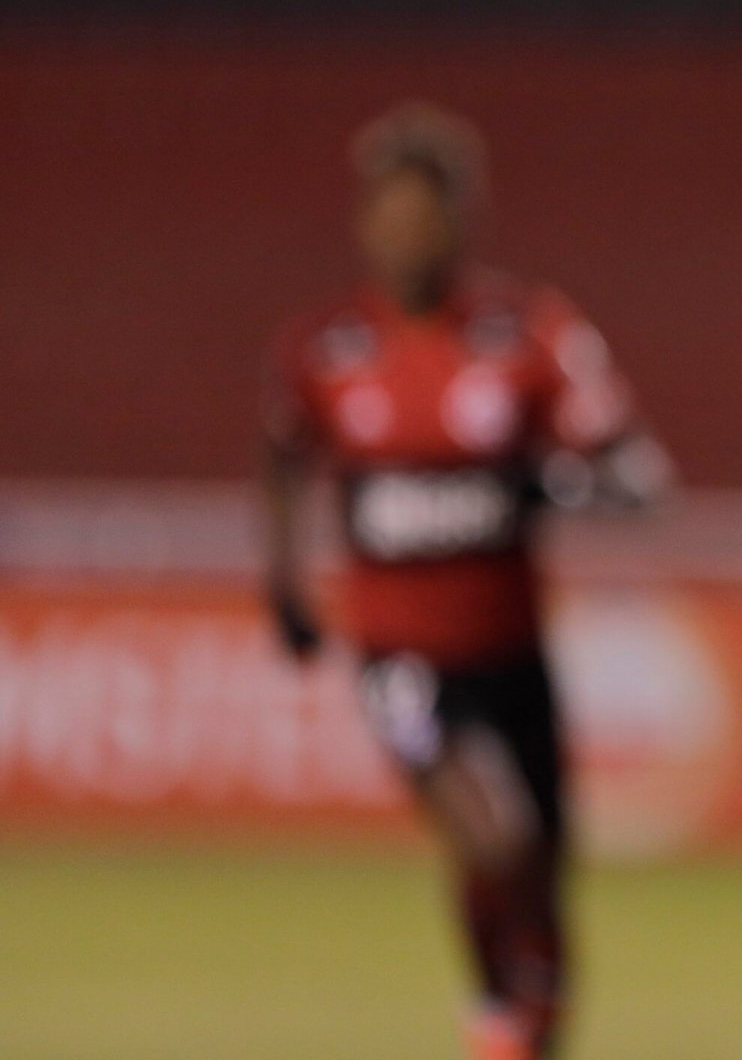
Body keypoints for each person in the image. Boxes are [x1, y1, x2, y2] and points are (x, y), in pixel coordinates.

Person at [262, 102, 673, 1060]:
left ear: (460, 221)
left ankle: (523, 1021)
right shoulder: (326, 350)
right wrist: (284, 584)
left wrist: (550, 484)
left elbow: (637, 474)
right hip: (400, 661)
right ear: (364, 222)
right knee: (494, 835)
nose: (405, 235)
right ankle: (497, 1015)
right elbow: (280, 459)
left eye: (424, 215)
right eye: (388, 215)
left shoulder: (527, 335)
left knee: (540, 873)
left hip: (512, 657)